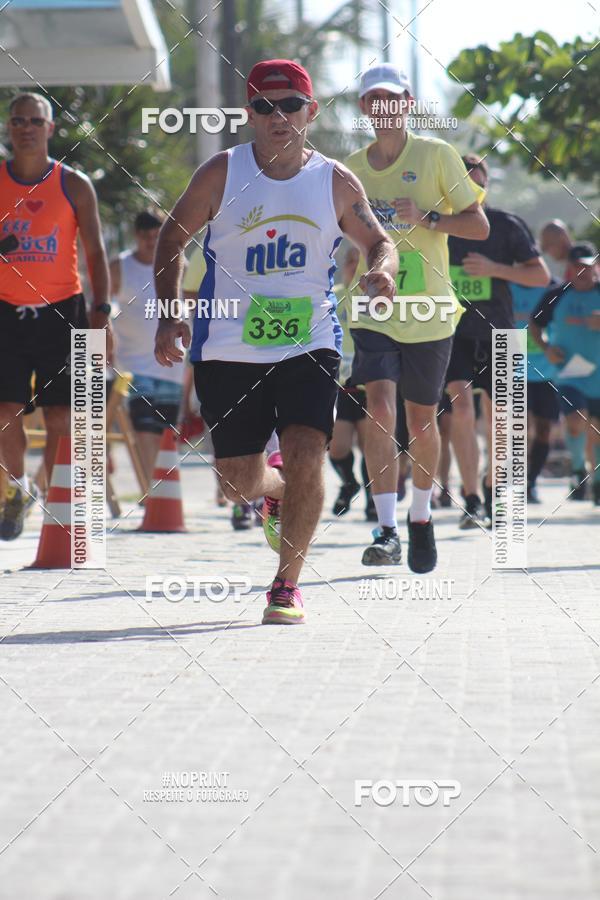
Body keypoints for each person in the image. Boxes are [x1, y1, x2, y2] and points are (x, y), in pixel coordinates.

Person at [153, 59, 397, 624]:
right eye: (265, 105)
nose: (278, 116)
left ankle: (285, 586)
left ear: (310, 112)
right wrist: (170, 314)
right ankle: (276, 488)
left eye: (290, 105)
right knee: (236, 480)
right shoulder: (221, 172)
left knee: (311, 451)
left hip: (309, 342)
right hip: (227, 344)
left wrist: (380, 269)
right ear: (250, 114)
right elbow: (173, 237)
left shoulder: (334, 180)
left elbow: (379, 240)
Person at [345, 63, 489, 571]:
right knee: (378, 407)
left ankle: (421, 517)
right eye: (372, 98)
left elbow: (478, 225)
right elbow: (343, 246)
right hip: (373, 307)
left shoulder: (437, 155)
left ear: (407, 102)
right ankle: (385, 528)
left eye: (392, 97)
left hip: (429, 309)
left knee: (421, 419)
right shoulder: (350, 170)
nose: (382, 106)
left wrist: (426, 218)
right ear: (363, 107)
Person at [0, 92, 111, 540]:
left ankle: (55, 499)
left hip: (64, 310)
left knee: (62, 417)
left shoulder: (74, 183)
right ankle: (16, 489)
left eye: (34, 120)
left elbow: (96, 253)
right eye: (17, 120)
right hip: (6, 310)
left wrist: (102, 313)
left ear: (50, 128)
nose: (25, 127)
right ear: (9, 128)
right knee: (5, 412)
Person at [446, 154, 550, 527]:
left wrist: (494, 270)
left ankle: (495, 490)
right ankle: (471, 496)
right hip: (450, 331)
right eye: (465, 181)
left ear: (487, 185)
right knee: (460, 409)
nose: (473, 188)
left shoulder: (505, 225)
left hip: (501, 331)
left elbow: (541, 276)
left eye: (479, 181)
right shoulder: (438, 225)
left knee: (502, 419)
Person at [110, 210, 184, 484]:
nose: (152, 242)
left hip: (171, 364)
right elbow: (101, 304)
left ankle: (161, 493)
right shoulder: (120, 266)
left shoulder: (179, 264)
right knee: (143, 428)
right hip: (132, 365)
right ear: (136, 236)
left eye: (157, 236)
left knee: (166, 431)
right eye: (146, 236)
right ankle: (150, 491)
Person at [530, 242, 600, 506]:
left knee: (597, 429)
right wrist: (547, 349)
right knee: (575, 418)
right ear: (570, 268)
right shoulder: (556, 295)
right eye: (578, 267)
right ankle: (578, 469)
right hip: (570, 373)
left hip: (598, 374)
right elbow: (534, 324)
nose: (584, 272)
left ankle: (595, 482)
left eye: (588, 266)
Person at [329, 245, 376, 520]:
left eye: (363, 266)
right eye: (352, 264)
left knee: (370, 447)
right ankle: (349, 483)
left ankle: (373, 499)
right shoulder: (332, 298)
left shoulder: (375, 301)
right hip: (339, 384)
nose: (356, 270)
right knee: (338, 446)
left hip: (369, 383)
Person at [511, 278, 561, 502]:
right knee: (520, 429)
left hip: (547, 371)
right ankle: (513, 477)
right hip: (514, 368)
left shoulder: (554, 289)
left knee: (544, 430)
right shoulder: (504, 286)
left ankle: (531, 481)